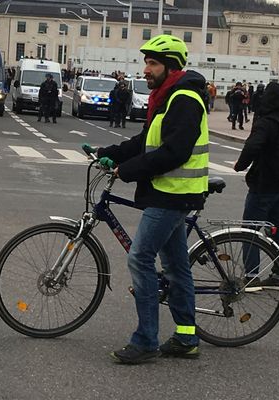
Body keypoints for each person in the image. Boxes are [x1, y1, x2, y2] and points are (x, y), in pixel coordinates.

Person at [89, 34, 208, 364]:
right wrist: (108, 153)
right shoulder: (167, 96)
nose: (145, 68)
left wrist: (126, 171)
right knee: (175, 266)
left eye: (152, 62)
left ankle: (145, 341)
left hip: (174, 193)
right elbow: (146, 142)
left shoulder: (184, 99)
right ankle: (186, 337)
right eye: (146, 62)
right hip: (167, 192)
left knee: (140, 258)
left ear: (170, 66)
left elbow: (174, 152)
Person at [233, 82, 279, 283]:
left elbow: (253, 146)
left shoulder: (266, 122)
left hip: (263, 185)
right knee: (276, 229)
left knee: (249, 230)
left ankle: (251, 275)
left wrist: (240, 165)